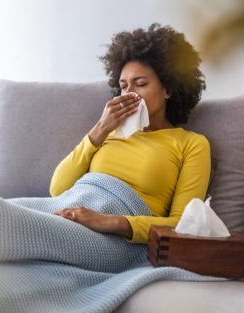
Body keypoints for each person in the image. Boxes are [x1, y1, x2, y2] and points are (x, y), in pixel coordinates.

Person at [50, 23, 211, 244]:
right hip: (64, 213)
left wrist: (108, 222)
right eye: (124, 86)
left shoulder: (191, 144)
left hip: (111, 238)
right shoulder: (108, 131)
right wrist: (101, 128)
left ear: (168, 89)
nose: (129, 94)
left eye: (141, 84)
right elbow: (57, 190)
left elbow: (184, 224)